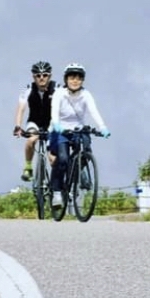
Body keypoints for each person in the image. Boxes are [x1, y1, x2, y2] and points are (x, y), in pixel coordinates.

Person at [49, 62, 110, 208]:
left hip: (78, 129)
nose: (75, 80)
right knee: (62, 159)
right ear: (66, 79)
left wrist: (102, 127)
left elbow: (93, 111)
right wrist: (56, 125)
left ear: (82, 80)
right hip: (61, 130)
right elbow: (54, 110)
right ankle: (57, 192)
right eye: (71, 77)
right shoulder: (59, 93)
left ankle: (77, 172)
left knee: (86, 152)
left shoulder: (86, 95)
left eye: (78, 77)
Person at [13, 61, 55, 181]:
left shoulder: (57, 88)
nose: (41, 78)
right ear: (34, 77)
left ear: (50, 76)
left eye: (45, 75)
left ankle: (56, 184)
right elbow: (21, 109)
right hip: (34, 122)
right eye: (38, 75)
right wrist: (18, 126)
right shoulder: (28, 89)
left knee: (53, 160)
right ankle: (28, 167)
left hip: (51, 123)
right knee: (31, 140)